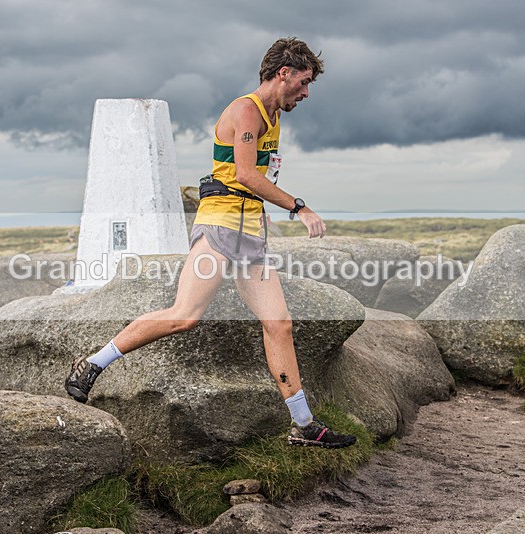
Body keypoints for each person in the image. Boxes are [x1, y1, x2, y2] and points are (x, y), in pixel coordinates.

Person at [65, 37, 356, 449]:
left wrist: (262, 208)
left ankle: (303, 425)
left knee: (279, 324)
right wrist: (299, 207)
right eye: (304, 83)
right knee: (185, 315)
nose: (306, 93)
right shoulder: (245, 110)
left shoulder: (275, 117)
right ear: (284, 73)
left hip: (250, 234)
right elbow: (243, 174)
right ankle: (92, 364)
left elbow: (257, 179)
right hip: (220, 227)